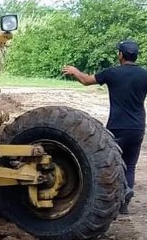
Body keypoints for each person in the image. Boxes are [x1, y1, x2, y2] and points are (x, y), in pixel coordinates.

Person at [62, 39, 147, 213]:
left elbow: (86, 80)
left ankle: (120, 194)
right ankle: (124, 205)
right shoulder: (144, 75)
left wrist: (74, 71)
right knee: (130, 165)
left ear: (121, 55)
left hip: (117, 126)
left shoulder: (112, 73)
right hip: (138, 126)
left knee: (113, 164)